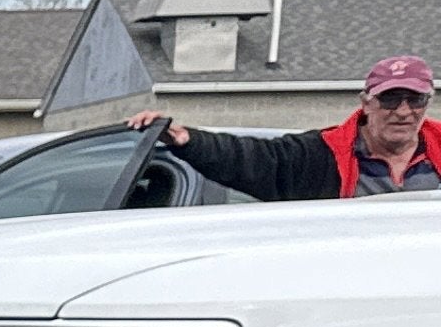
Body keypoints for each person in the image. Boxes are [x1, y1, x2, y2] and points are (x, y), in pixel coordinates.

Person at [131, 55, 441, 199]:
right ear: (366, 102)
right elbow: (253, 158)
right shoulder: (319, 155)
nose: (403, 111)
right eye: (390, 99)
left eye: (414, 100)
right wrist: (188, 140)